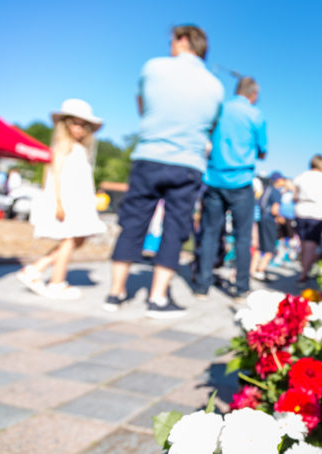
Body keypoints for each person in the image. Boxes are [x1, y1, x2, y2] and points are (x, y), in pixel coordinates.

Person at [106, 25, 224, 318]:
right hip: (188, 162)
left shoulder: (154, 67)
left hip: (150, 154)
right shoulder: (215, 86)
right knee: (175, 227)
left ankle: (116, 292)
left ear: (183, 40)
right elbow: (211, 125)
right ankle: (158, 298)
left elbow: (142, 106)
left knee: (133, 221)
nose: (171, 44)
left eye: (172, 39)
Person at [17, 99, 106, 299]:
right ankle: (57, 282)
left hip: (80, 201)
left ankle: (35, 269)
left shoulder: (81, 149)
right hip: (66, 201)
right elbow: (55, 176)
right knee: (70, 239)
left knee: (79, 239)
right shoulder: (63, 146)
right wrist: (58, 202)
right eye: (75, 123)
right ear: (65, 124)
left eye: (84, 125)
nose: (79, 128)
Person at [194, 77, 267, 300]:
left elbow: (206, 135)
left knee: (210, 233)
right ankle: (241, 288)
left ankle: (202, 286)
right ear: (253, 95)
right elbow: (263, 150)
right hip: (241, 181)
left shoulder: (220, 109)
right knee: (243, 237)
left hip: (214, 179)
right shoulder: (255, 115)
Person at [293, 154, 322, 284]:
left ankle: (303, 270)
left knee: (303, 243)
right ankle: (303, 273)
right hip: (317, 213)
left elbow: (295, 197)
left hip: (301, 211)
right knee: (311, 244)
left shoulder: (301, 176)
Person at [251, 171, 285, 281]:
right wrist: (280, 219)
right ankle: (260, 270)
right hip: (269, 220)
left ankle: (252, 270)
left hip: (260, 219)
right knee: (270, 248)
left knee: (259, 246)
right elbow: (275, 210)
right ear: (278, 180)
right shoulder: (276, 192)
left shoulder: (265, 189)